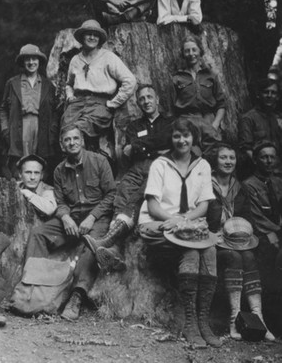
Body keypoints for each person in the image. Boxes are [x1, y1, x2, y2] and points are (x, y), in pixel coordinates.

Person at [138, 118, 221, 347]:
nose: (182, 140)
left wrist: (184, 222)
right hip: (158, 222)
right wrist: (174, 220)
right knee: (192, 252)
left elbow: (203, 206)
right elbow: (153, 206)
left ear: (193, 138)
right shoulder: (160, 164)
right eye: (177, 136)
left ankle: (203, 321)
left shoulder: (202, 165)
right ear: (171, 139)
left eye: (186, 136)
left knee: (210, 250)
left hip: (187, 224)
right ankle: (190, 323)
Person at [22, 125, 116, 321]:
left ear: (82, 141)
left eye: (75, 138)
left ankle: (77, 296)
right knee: (38, 234)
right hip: (72, 218)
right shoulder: (59, 171)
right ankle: (30, 286)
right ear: (62, 144)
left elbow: (111, 195)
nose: (72, 143)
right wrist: (65, 217)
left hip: (97, 218)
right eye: (67, 140)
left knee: (93, 247)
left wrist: (92, 217)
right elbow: (61, 201)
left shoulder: (99, 162)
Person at [83, 84, 173, 271]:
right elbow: (130, 148)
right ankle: (114, 249)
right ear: (138, 103)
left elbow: (163, 140)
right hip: (137, 167)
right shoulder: (134, 126)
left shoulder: (169, 123)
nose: (146, 101)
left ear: (157, 100)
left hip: (160, 166)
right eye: (142, 99)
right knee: (122, 193)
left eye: (150, 97)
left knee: (140, 196)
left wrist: (142, 145)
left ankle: (110, 242)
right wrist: (152, 145)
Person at [206, 143, 275, 341]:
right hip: (212, 238)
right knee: (234, 257)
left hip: (235, 239)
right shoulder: (206, 186)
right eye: (223, 157)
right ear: (215, 161)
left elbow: (247, 217)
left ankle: (259, 319)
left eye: (232, 158)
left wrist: (242, 231)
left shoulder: (239, 187)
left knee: (249, 256)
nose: (228, 162)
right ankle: (234, 320)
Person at [61, 19, 136, 150]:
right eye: (88, 34)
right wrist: (70, 96)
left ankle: (88, 165)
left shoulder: (108, 57)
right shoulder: (75, 60)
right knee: (66, 131)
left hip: (99, 104)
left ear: (100, 39)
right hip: (77, 103)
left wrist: (114, 103)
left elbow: (130, 80)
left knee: (79, 130)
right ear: (82, 37)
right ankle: (70, 167)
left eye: (95, 35)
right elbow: (69, 84)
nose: (92, 37)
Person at [0, 44, 59, 179]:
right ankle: (19, 195)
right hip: (19, 126)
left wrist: (53, 130)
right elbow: (3, 109)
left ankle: (38, 197)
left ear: (39, 61)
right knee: (19, 164)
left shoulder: (47, 85)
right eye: (27, 59)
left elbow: (55, 111)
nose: (31, 62)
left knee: (39, 163)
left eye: (34, 59)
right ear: (22, 62)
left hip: (41, 127)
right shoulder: (13, 83)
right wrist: (5, 129)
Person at [173, 37, 225, 154]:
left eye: (194, 50)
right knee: (193, 158)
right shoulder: (177, 78)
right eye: (187, 51)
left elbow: (221, 104)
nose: (191, 54)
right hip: (187, 121)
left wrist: (215, 124)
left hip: (209, 120)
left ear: (200, 51)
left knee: (214, 156)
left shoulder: (210, 75)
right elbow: (171, 108)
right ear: (183, 54)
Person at [242, 141, 282, 294]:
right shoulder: (249, 185)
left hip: (278, 229)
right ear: (255, 160)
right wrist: (272, 232)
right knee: (269, 253)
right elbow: (255, 215)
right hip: (261, 231)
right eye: (264, 157)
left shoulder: (279, 182)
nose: (269, 161)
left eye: (272, 157)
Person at [239, 78, 282, 160]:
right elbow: (246, 149)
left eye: (273, 93)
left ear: (277, 97)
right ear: (258, 95)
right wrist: (262, 165)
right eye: (266, 92)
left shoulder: (278, 118)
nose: (269, 95)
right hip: (257, 168)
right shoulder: (248, 118)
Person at [17, 154, 57, 218]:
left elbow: (49, 209)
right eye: (28, 172)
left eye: (36, 173)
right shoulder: (16, 186)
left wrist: (28, 193)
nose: (32, 177)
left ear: (42, 175)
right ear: (20, 174)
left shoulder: (48, 190)